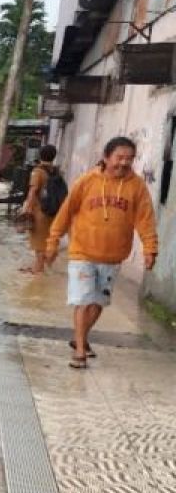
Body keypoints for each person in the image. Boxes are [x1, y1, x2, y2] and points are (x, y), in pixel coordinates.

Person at [46, 136, 159, 369]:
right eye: (119, 157)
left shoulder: (136, 186)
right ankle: (79, 351)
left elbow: (145, 220)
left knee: (98, 303)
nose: (124, 163)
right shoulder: (87, 181)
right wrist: (52, 241)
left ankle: (81, 337)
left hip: (113, 257)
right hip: (82, 253)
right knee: (83, 301)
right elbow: (66, 212)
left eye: (129, 159)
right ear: (106, 157)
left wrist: (150, 248)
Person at [20, 144, 60, 276]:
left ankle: (38, 270)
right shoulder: (55, 172)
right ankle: (39, 267)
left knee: (38, 243)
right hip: (52, 212)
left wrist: (27, 209)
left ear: (40, 155)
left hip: (40, 212)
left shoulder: (38, 172)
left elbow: (33, 191)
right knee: (46, 240)